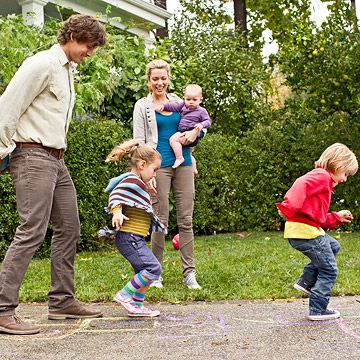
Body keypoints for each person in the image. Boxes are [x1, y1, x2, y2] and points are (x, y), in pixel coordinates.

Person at [0, 14, 106, 335]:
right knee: (31, 230)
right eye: (88, 46)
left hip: (56, 159)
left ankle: (61, 300)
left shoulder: (66, 71)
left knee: (69, 227)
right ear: (72, 36)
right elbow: (7, 108)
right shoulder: (41, 64)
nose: (90, 52)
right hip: (32, 155)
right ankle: (3, 308)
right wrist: (3, 152)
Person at [133, 59, 201, 289]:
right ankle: (155, 273)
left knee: (186, 219)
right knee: (159, 220)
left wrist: (196, 134)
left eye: (163, 78)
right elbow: (139, 143)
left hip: (183, 165)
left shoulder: (180, 102)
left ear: (168, 79)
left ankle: (189, 273)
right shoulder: (142, 106)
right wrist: (145, 172)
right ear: (149, 81)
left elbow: (197, 125)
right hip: (158, 168)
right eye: (155, 79)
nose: (159, 82)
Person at [276, 143, 358, 321]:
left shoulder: (323, 182)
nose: (344, 179)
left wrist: (337, 217)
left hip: (307, 230)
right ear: (338, 165)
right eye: (345, 174)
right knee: (329, 270)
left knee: (333, 246)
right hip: (306, 232)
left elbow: (318, 218)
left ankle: (306, 281)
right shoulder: (322, 176)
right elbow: (301, 183)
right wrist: (288, 206)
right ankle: (318, 309)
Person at [104, 139, 166, 317]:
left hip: (133, 237)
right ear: (142, 164)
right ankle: (124, 295)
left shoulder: (138, 182)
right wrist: (116, 212)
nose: (155, 174)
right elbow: (116, 195)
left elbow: (138, 206)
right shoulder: (131, 180)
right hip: (128, 237)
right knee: (153, 269)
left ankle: (137, 306)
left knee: (144, 271)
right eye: (154, 170)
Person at [155, 84, 211, 169]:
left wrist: (201, 125)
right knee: (179, 142)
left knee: (173, 140)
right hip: (182, 131)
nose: (191, 102)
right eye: (188, 99)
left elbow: (208, 121)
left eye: (194, 100)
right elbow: (173, 106)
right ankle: (192, 161)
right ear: (184, 98)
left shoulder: (202, 111)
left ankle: (179, 158)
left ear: (200, 100)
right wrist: (163, 106)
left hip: (192, 132)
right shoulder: (183, 106)